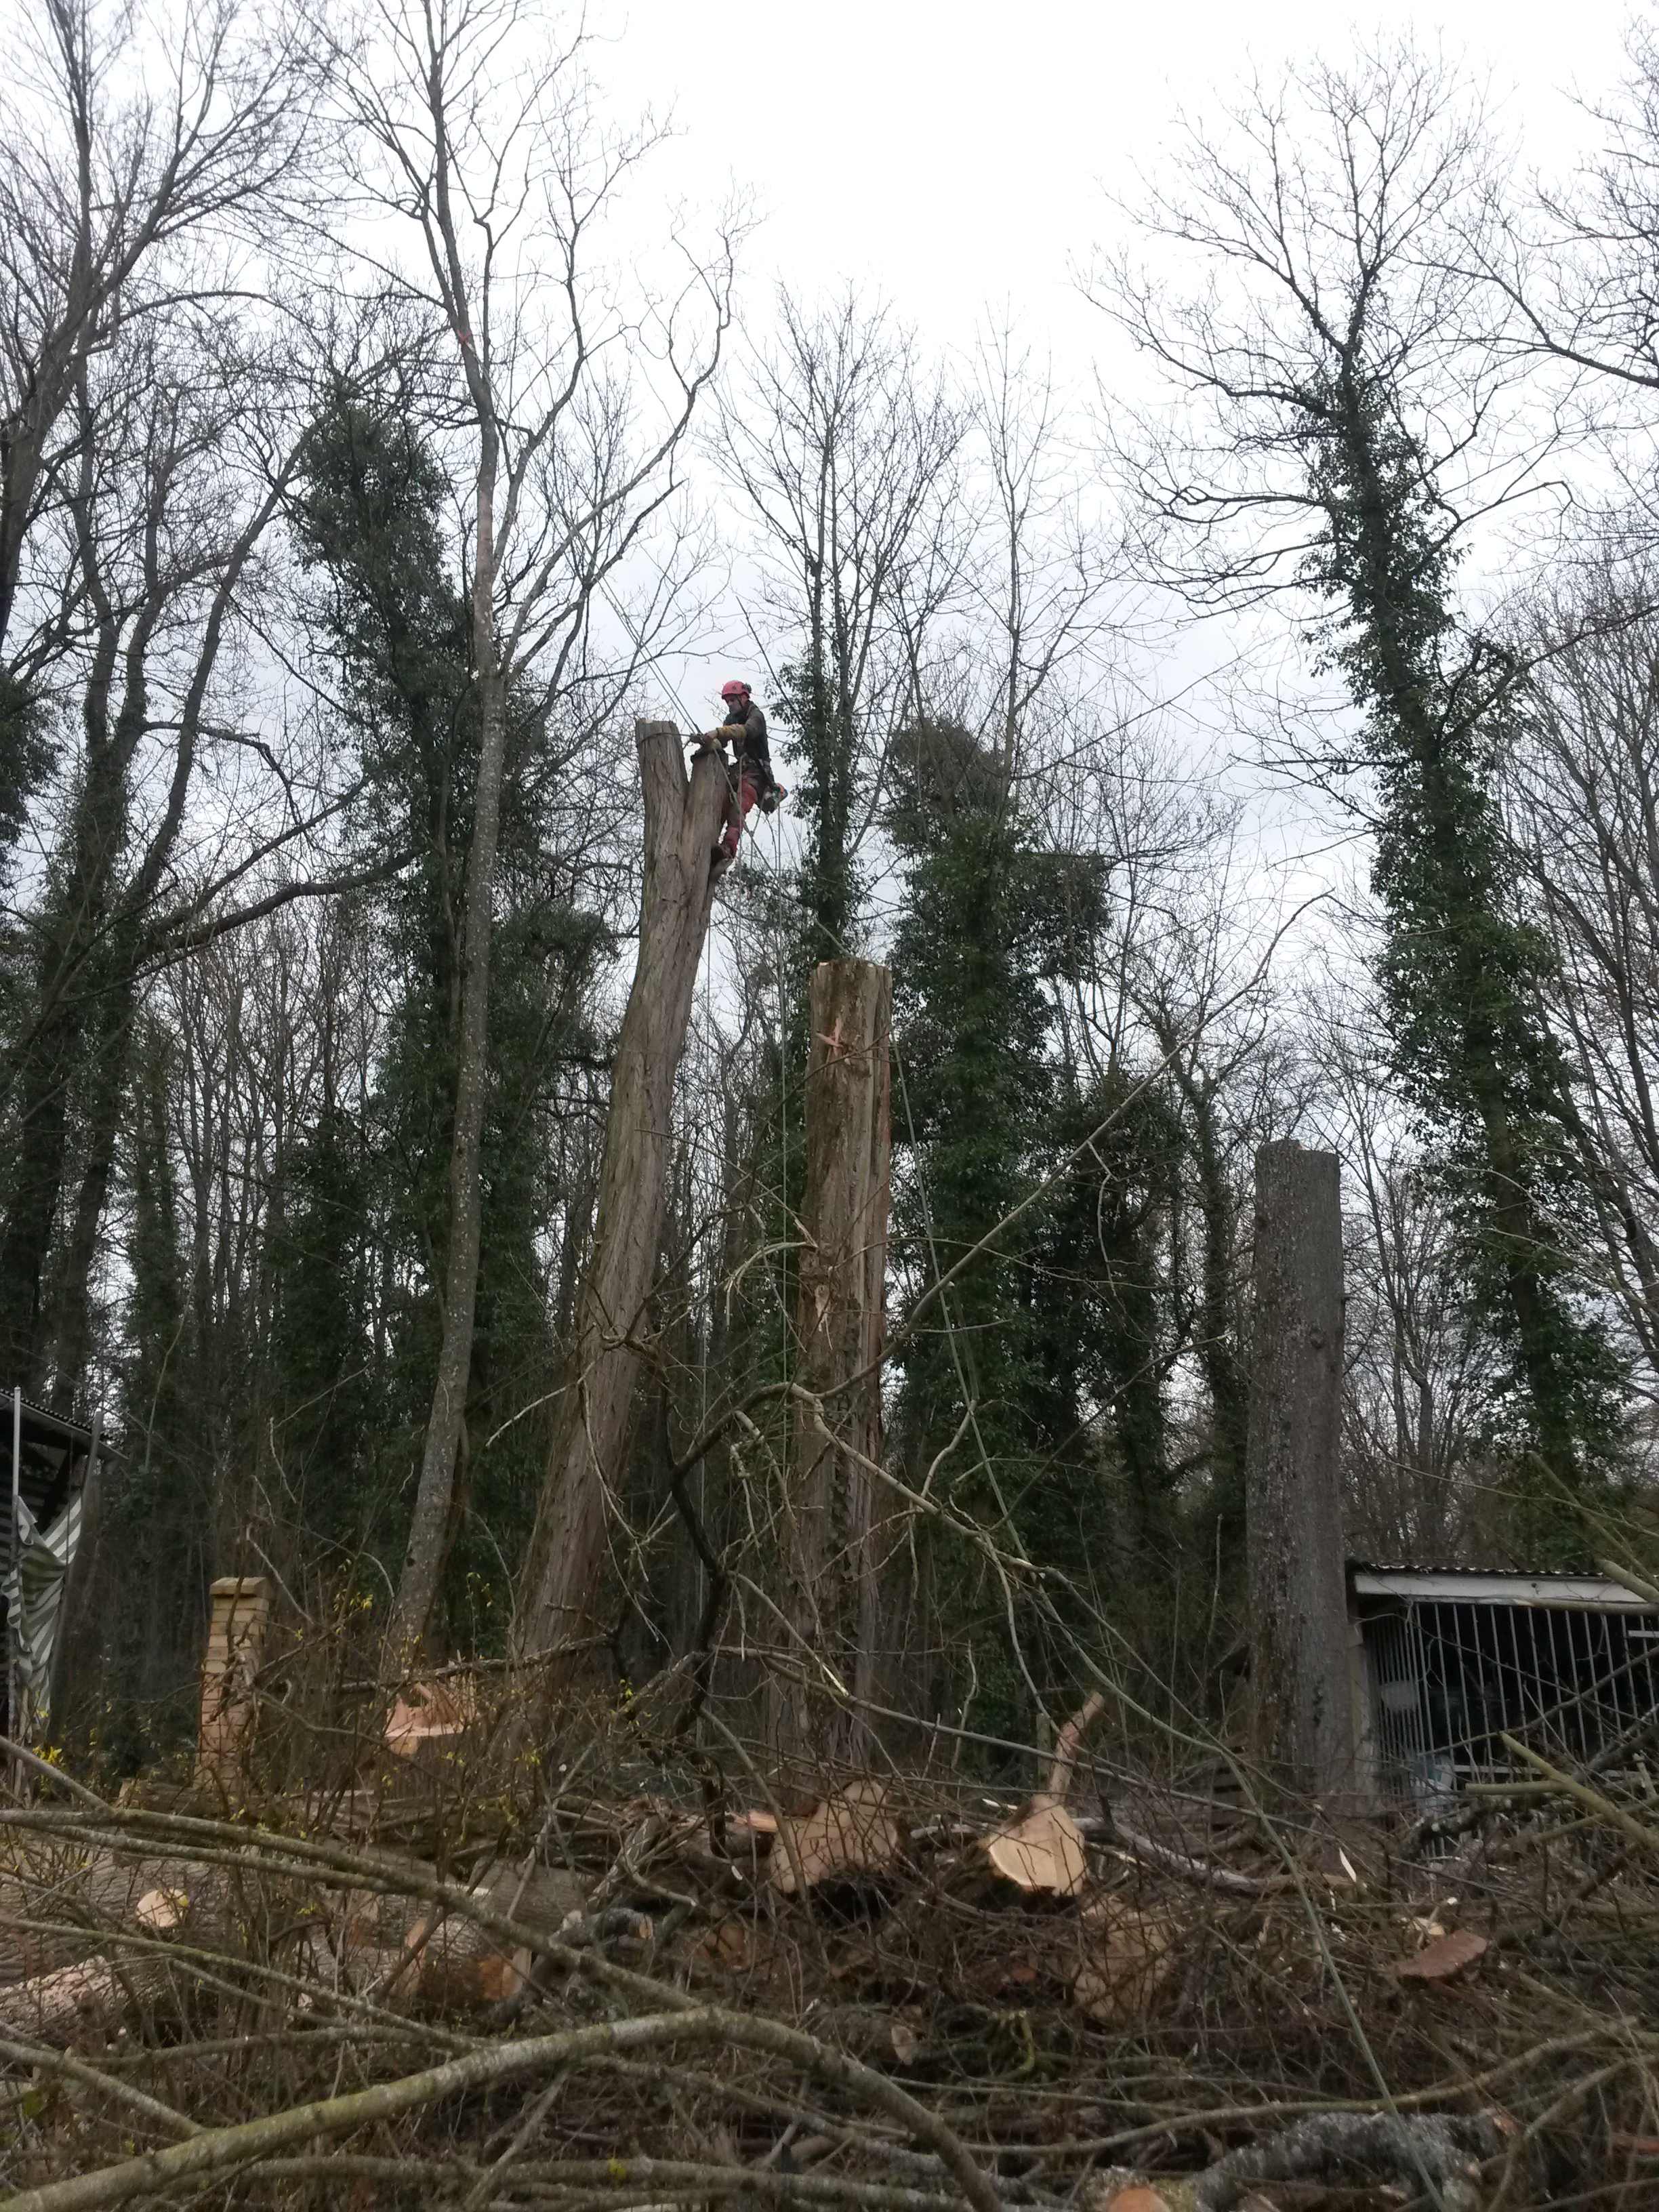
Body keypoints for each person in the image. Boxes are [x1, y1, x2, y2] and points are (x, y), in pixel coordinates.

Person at [700, 679, 778, 862]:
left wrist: (718, 733)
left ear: (743, 697)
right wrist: (708, 742)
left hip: (756, 775)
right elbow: (723, 741)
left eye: (732, 701)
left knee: (738, 808)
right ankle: (707, 845)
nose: (730, 705)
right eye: (727, 702)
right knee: (720, 805)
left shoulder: (756, 715)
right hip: (739, 772)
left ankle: (728, 848)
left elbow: (745, 731)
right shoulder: (731, 718)